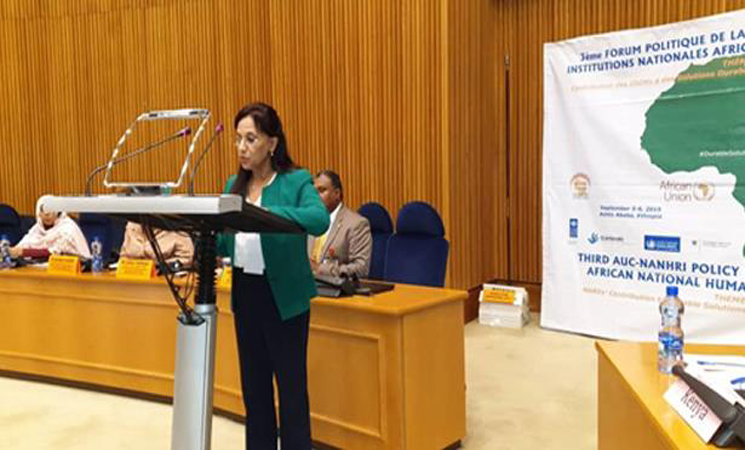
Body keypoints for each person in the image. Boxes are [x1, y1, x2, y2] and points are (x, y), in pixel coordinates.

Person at [218, 102, 329, 449]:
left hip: (284, 298)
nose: (242, 147)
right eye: (238, 139)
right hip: (246, 294)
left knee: (291, 391)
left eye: (251, 139)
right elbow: (222, 239)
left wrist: (264, 214)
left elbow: (318, 219)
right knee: (255, 391)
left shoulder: (295, 181)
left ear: (272, 143)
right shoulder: (233, 185)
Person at [310, 170, 372, 278]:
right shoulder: (310, 223)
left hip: (334, 287)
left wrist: (320, 269)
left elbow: (361, 268)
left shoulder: (356, 224)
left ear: (337, 194)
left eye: (322, 190)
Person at [10, 204, 91, 259]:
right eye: (43, 210)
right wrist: (11, 251)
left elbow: (57, 252)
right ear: (39, 213)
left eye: (51, 210)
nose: (47, 214)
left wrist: (24, 252)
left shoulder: (68, 227)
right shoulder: (36, 229)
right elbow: (20, 247)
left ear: (58, 212)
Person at [119, 222, 194, 267]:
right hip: (133, 277)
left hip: (165, 280)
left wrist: (160, 266)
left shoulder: (175, 227)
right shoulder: (133, 224)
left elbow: (187, 259)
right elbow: (124, 255)